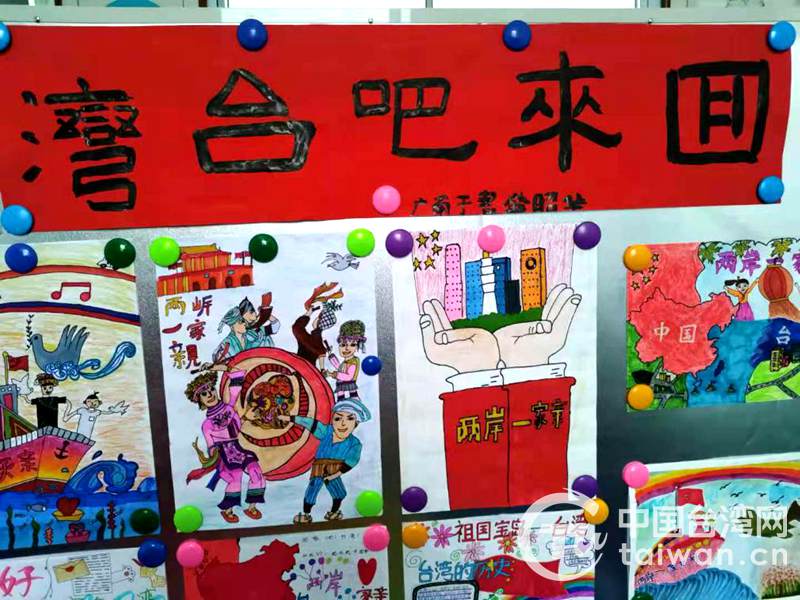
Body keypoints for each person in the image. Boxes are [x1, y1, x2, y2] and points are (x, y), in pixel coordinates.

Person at [185, 364, 265, 524]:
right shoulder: (207, 424)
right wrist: (214, 458)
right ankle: (227, 510)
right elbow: (211, 446)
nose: (209, 394)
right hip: (224, 455)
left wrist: (217, 367)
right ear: (200, 401)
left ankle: (252, 506)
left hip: (239, 449)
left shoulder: (230, 407)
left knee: (256, 472)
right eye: (204, 394)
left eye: (211, 390)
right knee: (235, 480)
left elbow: (237, 377)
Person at [277, 398, 370, 523]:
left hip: (335, 470)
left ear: (356, 423)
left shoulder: (355, 444)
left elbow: (351, 462)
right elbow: (308, 422)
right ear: (332, 420)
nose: (343, 424)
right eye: (338, 418)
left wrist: (334, 475)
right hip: (319, 468)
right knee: (312, 489)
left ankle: (334, 512)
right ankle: (306, 514)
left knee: (339, 493)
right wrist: (288, 418)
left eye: (350, 419)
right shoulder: (326, 431)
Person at [213, 296, 279, 363]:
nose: (244, 323)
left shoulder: (252, 333)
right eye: (241, 321)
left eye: (244, 321)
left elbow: (274, 327)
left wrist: (265, 314)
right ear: (232, 325)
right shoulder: (227, 343)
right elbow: (218, 360)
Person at [292, 283, 343, 369]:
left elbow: (296, 327)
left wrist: (309, 313)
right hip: (310, 372)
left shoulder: (307, 339)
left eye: (318, 317)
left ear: (319, 321)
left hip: (299, 368)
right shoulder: (320, 346)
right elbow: (322, 367)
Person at [325, 320, 366, 402]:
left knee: (353, 397)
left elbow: (348, 377)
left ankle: (355, 403)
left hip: (350, 383)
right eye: (343, 345)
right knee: (340, 398)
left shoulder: (354, 362)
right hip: (340, 384)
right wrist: (331, 356)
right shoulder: (345, 362)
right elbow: (338, 367)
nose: (346, 348)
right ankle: (340, 403)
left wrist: (334, 374)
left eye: (352, 345)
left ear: (357, 346)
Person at [63, 392, 129, 439]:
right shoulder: (82, 410)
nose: (92, 403)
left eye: (95, 402)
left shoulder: (97, 412)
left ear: (98, 403)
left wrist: (114, 410)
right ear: (85, 402)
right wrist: (68, 408)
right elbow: (69, 416)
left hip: (88, 436)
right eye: (89, 401)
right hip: (79, 434)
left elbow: (106, 412)